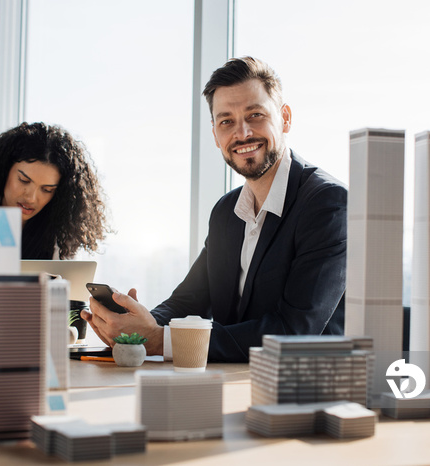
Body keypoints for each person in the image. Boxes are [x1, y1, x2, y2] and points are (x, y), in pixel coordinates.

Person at [83, 57, 346, 362]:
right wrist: (135, 328)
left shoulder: (327, 204)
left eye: (255, 114)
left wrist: (159, 340)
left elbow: (295, 330)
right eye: (226, 121)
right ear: (215, 134)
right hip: (235, 379)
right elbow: (189, 300)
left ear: (285, 118)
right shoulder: (226, 212)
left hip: (305, 388)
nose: (243, 133)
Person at [0, 122, 108, 281]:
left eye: (47, 190)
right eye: (23, 180)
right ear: (4, 170)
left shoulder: (60, 228)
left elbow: (69, 292)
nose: (31, 198)